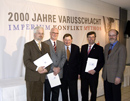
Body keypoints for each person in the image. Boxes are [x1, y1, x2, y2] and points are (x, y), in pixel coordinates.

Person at [23, 26, 51, 101]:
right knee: (31, 98)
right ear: (34, 34)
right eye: (39, 33)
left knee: (39, 98)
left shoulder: (46, 46)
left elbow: (49, 60)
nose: (41, 35)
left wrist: (47, 69)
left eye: (42, 33)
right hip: (32, 77)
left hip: (41, 77)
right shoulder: (28, 45)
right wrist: (37, 68)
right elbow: (26, 61)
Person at [102, 29, 127, 101]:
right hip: (106, 76)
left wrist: (118, 76)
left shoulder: (121, 47)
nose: (111, 37)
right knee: (107, 96)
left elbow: (122, 63)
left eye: (113, 35)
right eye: (110, 35)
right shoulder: (106, 46)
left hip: (115, 77)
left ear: (117, 36)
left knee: (116, 97)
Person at [80, 31, 104, 101]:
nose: (91, 39)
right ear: (87, 38)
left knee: (93, 91)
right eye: (89, 37)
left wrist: (95, 70)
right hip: (84, 74)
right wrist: (79, 73)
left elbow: (101, 62)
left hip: (93, 74)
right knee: (84, 91)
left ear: (95, 38)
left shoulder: (99, 48)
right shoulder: (83, 47)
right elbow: (81, 61)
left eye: (92, 37)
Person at [44, 28, 66, 101]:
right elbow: (44, 58)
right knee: (47, 94)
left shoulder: (61, 44)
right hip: (48, 73)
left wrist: (59, 67)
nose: (55, 34)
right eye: (53, 32)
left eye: (56, 33)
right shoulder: (44, 44)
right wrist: (53, 68)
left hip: (58, 74)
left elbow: (64, 57)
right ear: (50, 33)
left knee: (56, 94)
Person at [61, 34, 80, 101]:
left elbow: (79, 61)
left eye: (69, 40)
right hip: (63, 75)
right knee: (64, 93)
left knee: (73, 93)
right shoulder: (60, 48)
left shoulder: (76, 48)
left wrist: (79, 73)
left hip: (73, 75)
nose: (67, 41)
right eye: (65, 40)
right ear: (63, 40)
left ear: (71, 40)